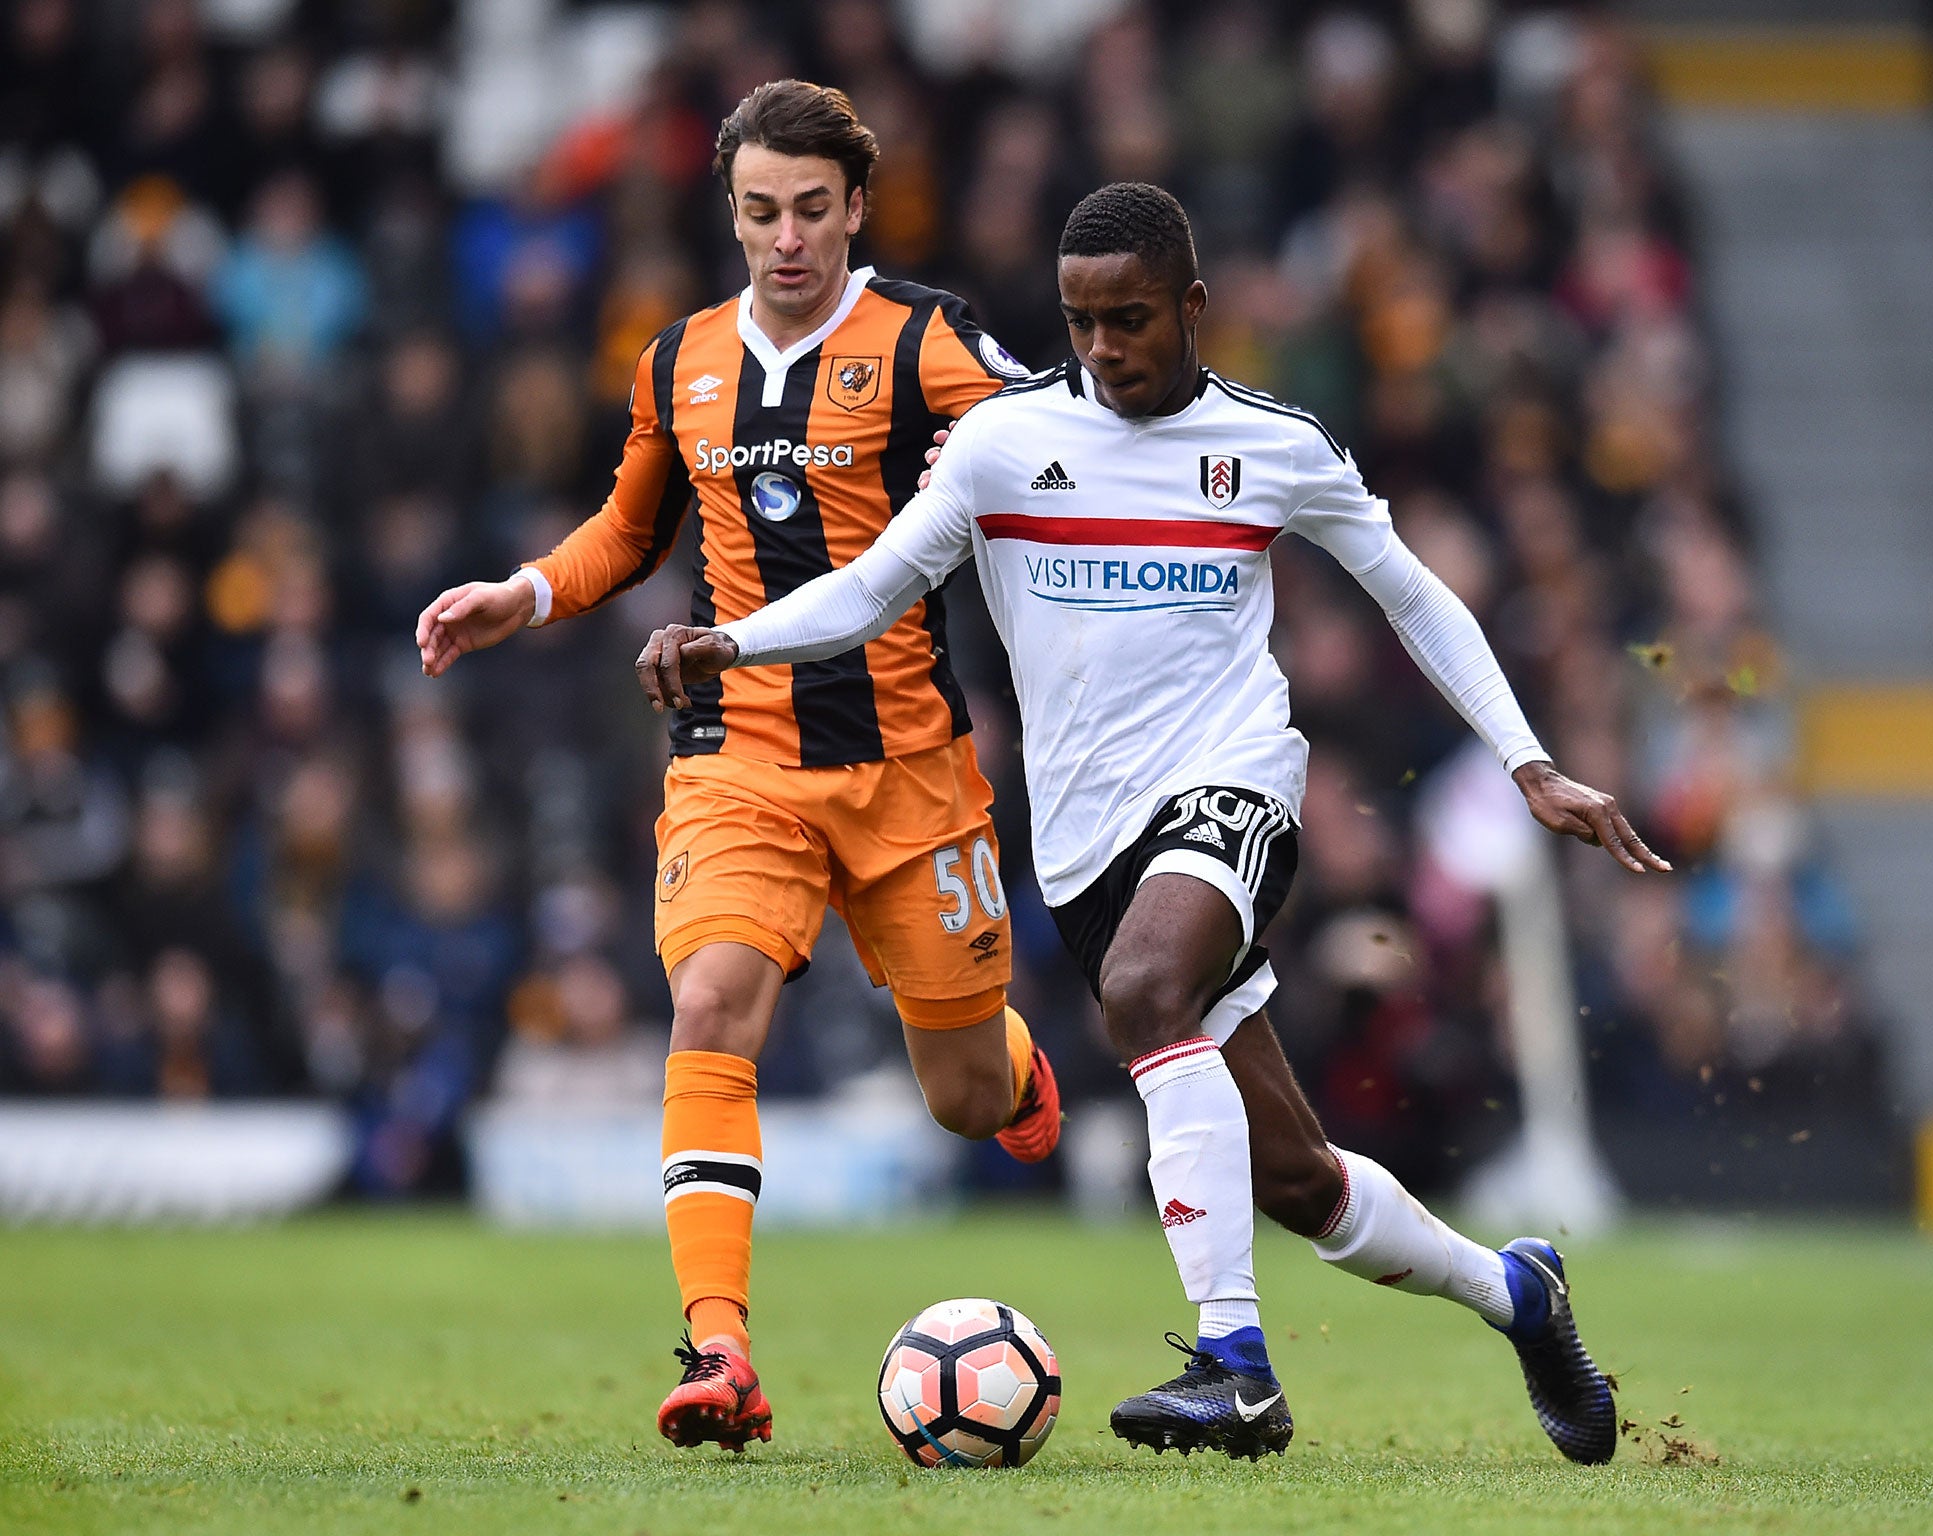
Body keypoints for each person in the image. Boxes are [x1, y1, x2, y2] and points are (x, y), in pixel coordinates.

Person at [637, 182, 1671, 1465]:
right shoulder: (1004, 444)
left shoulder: (1272, 444)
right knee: (1298, 1180)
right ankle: (1517, 1294)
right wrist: (728, 640)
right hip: (1084, 846)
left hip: (1230, 787)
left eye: (1129, 319)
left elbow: (1416, 600)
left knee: (1141, 991)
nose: (1104, 347)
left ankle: (1233, 1366)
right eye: (1080, 322)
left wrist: (1527, 763)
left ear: (1190, 307)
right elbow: (868, 590)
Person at [414, 81, 1062, 1454]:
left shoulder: (926, 337)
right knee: (710, 1005)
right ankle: (723, 1351)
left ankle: (1010, 1069)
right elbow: (623, 531)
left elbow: (1057, 435)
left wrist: (996, 451)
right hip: (737, 760)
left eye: (811, 210)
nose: (786, 238)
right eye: (760, 210)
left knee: (960, 1099)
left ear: (855, 208)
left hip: (908, 770)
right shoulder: (679, 361)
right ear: (731, 210)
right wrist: (520, 594)